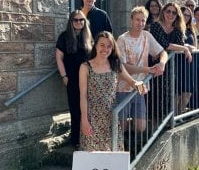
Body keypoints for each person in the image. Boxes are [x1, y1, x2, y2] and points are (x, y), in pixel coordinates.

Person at [79, 31, 143, 151]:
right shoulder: (85, 67)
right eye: (102, 45)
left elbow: (132, 82)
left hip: (111, 117)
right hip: (92, 118)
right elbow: (83, 95)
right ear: (96, 45)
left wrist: (140, 85)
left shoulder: (116, 64)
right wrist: (84, 120)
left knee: (113, 154)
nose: (105, 49)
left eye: (109, 46)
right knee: (92, 156)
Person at [117, 6, 168, 132]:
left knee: (141, 127)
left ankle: (128, 141)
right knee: (120, 127)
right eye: (137, 20)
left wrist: (162, 63)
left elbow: (163, 52)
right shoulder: (122, 39)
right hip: (124, 86)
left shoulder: (146, 35)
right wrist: (147, 69)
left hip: (140, 87)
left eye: (143, 20)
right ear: (131, 20)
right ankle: (120, 146)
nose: (140, 23)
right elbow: (123, 67)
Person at [56, 10, 93, 149]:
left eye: (81, 20)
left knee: (88, 108)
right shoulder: (64, 37)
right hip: (72, 78)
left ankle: (88, 136)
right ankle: (76, 140)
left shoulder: (88, 36)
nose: (79, 22)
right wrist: (64, 76)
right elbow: (59, 58)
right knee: (75, 109)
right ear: (71, 22)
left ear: (85, 22)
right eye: (76, 20)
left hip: (88, 79)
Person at [150, 2, 193, 115]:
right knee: (156, 92)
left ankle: (168, 119)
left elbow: (178, 44)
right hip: (156, 63)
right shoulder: (155, 25)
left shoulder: (178, 28)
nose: (171, 14)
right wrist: (185, 48)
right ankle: (157, 120)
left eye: (174, 12)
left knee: (170, 93)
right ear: (163, 12)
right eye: (168, 11)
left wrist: (183, 48)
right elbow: (164, 44)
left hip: (172, 66)